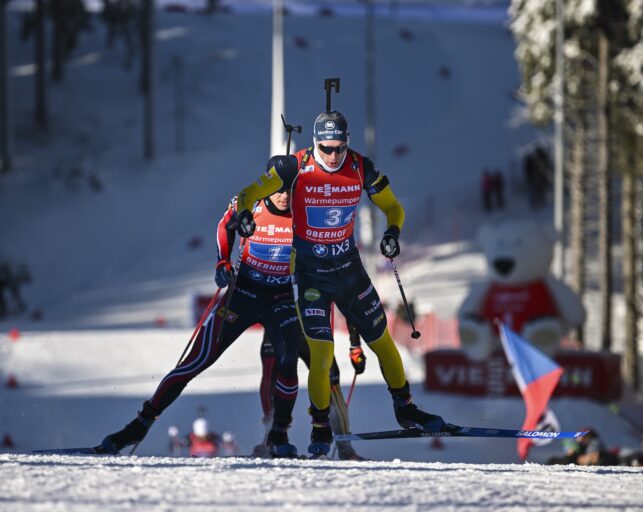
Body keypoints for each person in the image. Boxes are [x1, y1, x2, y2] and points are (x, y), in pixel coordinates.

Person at [233, 110, 446, 457]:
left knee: (383, 341)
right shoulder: (293, 167)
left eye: (339, 148)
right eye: (326, 148)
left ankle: (406, 408)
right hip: (310, 275)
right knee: (322, 354)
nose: (333, 156)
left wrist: (392, 233)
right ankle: (320, 426)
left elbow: (393, 207)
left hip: (349, 271)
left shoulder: (360, 167)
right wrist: (244, 214)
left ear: (347, 143)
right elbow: (247, 194)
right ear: (315, 143)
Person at [99, 185, 306, 458]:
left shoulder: (305, 209)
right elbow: (225, 224)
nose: (284, 197)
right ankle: (138, 426)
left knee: (288, 363)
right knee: (194, 363)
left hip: (281, 299)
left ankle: (279, 435)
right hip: (242, 295)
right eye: (278, 190)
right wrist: (223, 262)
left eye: (289, 190)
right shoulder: (251, 202)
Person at [255, 315, 365, 460]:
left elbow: (347, 303)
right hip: (279, 326)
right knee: (271, 376)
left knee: (330, 378)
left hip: (312, 329)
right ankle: (271, 440)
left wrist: (355, 346)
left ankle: (345, 447)